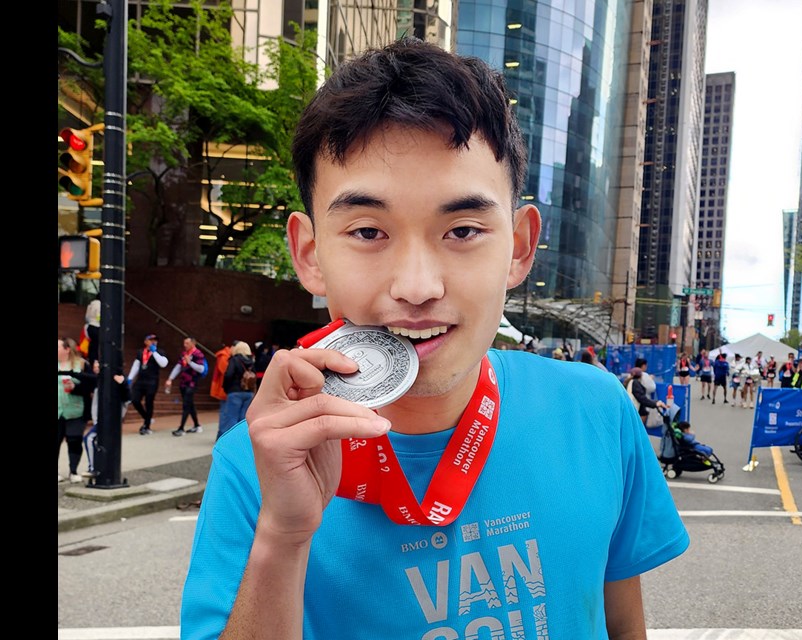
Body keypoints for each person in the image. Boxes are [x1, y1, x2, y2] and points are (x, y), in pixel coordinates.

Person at [179, 38, 689, 639]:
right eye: (368, 231)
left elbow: (622, 627)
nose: (417, 286)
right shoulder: (257, 465)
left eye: (464, 229)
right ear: (310, 255)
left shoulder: (596, 410)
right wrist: (283, 538)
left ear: (520, 247)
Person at [58, 336, 93, 483]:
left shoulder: (82, 365)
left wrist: (75, 387)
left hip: (77, 410)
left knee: (74, 439)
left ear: (67, 349)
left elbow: (91, 385)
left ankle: (73, 471)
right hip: (59, 411)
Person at [127, 333, 170, 435]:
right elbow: (136, 365)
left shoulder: (160, 352)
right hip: (140, 380)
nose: (153, 341)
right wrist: (130, 378)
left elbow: (163, 363)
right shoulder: (141, 352)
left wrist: (154, 352)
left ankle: (146, 426)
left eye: (155, 340)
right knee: (135, 399)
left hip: (152, 381)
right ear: (145, 341)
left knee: (149, 402)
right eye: (151, 340)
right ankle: (147, 417)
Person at [165, 337, 207, 436]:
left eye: (187, 343)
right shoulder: (184, 354)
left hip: (192, 383)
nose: (185, 345)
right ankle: (197, 425)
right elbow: (178, 367)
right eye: (184, 343)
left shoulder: (198, 354)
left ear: (193, 343)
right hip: (183, 383)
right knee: (190, 404)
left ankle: (181, 428)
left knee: (186, 405)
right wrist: (170, 379)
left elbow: (201, 369)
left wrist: (190, 363)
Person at [219, 341, 256, 440]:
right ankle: (241, 441)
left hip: (235, 392)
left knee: (231, 418)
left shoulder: (234, 360)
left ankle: (231, 442)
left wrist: (226, 388)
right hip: (249, 393)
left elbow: (228, 375)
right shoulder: (251, 361)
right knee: (243, 419)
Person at [626, 360, 668, 429]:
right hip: (637, 408)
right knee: (637, 428)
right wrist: (655, 403)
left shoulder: (630, 380)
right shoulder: (636, 383)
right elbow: (650, 390)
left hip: (635, 407)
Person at [210, 342, 234, 440]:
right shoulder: (224, 356)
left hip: (226, 389)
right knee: (225, 413)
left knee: (225, 413)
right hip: (224, 389)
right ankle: (221, 436)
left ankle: (222, 435)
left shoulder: (226, 356)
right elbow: (225, 370)